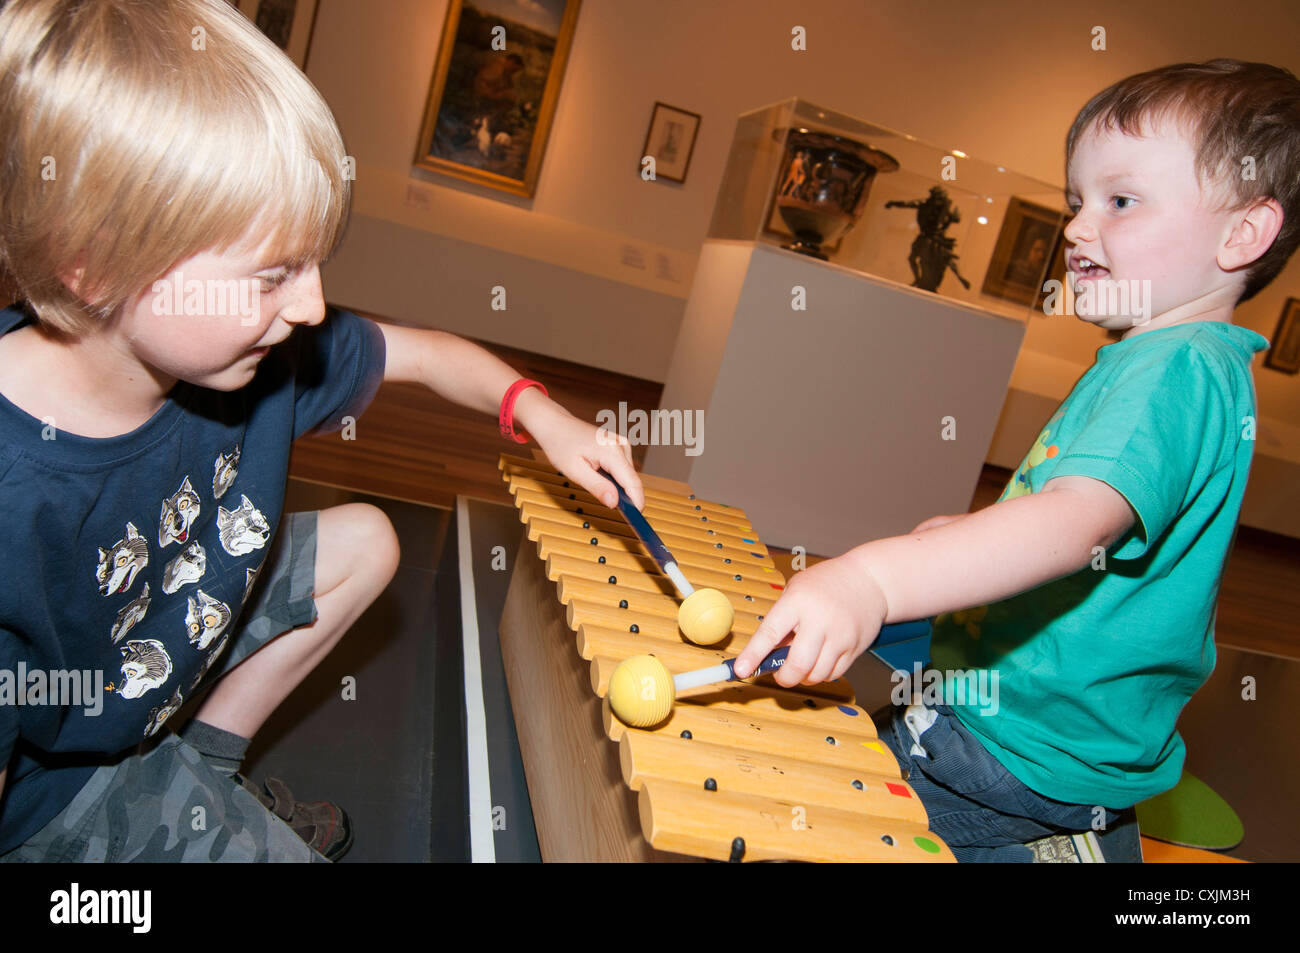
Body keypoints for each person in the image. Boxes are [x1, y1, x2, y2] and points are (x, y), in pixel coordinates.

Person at [0, 0, 643, 862]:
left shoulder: (255, 355)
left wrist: (546, 415)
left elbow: (427, 355)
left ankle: (201, 768)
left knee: (369, 540)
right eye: (272, 275)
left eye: (311, 265)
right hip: (55, 800)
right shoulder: (15, 497)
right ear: (98, 262)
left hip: (146, 648)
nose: (308, 306)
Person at [735, 59, 1299, 861]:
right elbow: (1087, 518)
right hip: (1057, 733)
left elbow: (1074, 523)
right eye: (1077, 202)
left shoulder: (1173, 369)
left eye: (1121, 200)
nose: (1075, 227)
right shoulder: (1189, 362)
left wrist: (870, 578)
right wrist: (985, 530)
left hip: (1009, 743)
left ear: (1243, 232)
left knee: (841, 832)